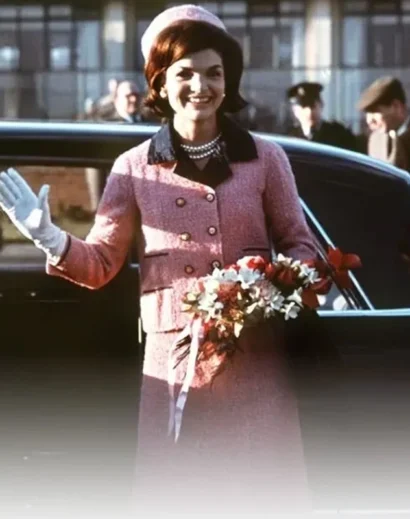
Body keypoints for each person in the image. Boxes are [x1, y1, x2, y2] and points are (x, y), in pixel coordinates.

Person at [0, 5, 317, 515]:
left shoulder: (266, 158)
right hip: (174, 372)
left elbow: (302, 247)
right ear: (161, 82)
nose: (201, 86)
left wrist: (270, 287)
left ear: (228, 80)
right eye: (185, 73)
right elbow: (101, 261)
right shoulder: (133, 168)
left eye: (214, 73)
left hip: (258, 366)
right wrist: (50, 238)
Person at [357, 76, 410, 172]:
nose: (369, 120)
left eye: (375, 111)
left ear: (396, 106)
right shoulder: (375, 141)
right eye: (367, 113)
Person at [287, 81, 358, 151]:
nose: (309, 112)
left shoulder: (339, 134)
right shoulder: (290, 139)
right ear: (295, 111)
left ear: (321, 105)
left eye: (313, 106)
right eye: (303, 107)